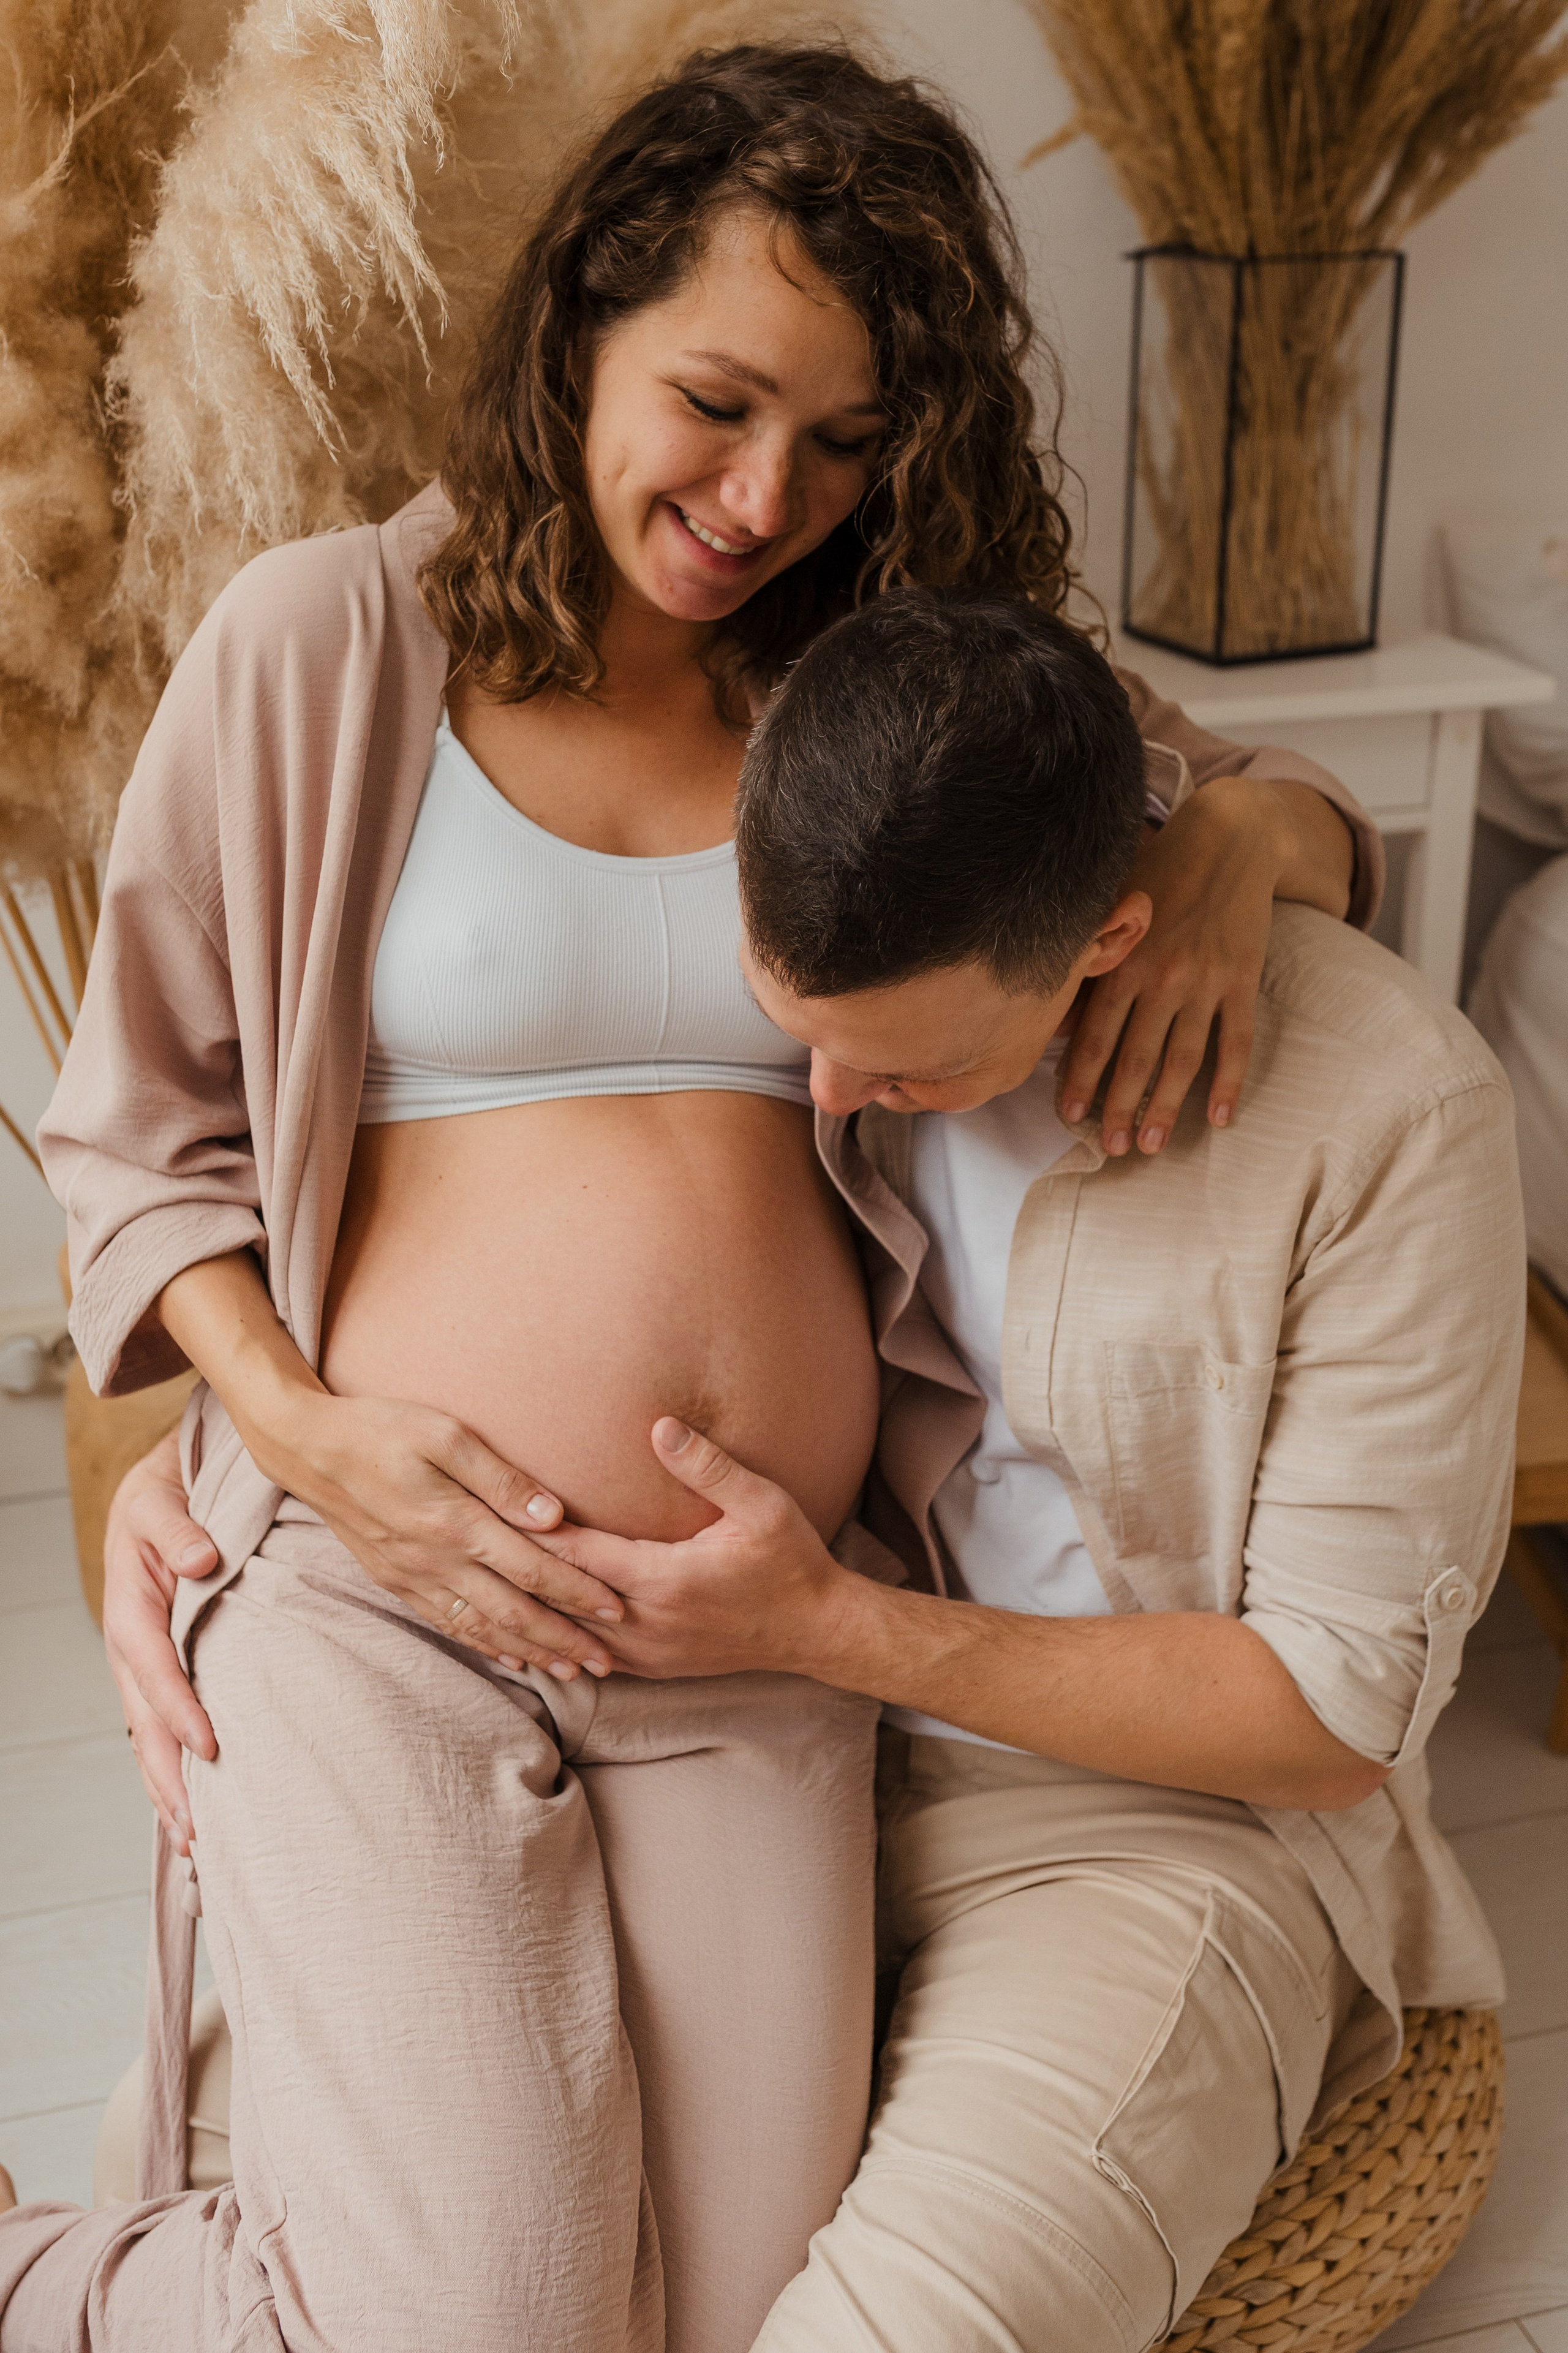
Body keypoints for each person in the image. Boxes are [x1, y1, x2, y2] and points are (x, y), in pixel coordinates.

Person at [1, 47, 1378, 2353]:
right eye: (719, 402)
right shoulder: (331, 645)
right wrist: (300, 1436)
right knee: (496, 2319)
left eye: (844, 443)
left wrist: (1245, 842)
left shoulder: (887, 694)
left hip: (756, 1634)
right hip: (383, 1590)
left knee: (744, 2320)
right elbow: (134, 1126)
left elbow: (1277, 796)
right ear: (580, 335)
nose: (765, 496)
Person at [507, 589, 1517, 2351]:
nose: (827, 1087)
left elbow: (1327, 1724)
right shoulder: (837, 913)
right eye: (796, 1025)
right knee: (436, 2238)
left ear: (1114, 935)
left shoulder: (1393, 1118)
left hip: (1148, 1833)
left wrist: (835, 1628)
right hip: (738, 1746)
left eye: (906, 1063)